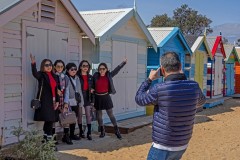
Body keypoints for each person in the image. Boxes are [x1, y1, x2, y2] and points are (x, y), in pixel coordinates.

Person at [135, 52, 206, 160]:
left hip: (163, 145)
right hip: (182, 143)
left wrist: (149, 80)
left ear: (162, 70)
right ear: (180, 66)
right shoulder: (194, 87)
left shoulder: (159, 89)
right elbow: (201, 102)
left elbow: (139, 99)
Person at [92, 59, 127, 140]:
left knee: (110, 114)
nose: (101, 70)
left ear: (106, 69)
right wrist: (91, 89)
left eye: (103, 69)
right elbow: (92, 84)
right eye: (100, 69)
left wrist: (123, 63)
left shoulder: (109, 75)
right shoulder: (95, 76)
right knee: (99, 116)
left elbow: (116, 70)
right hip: (98, 97)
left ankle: (117, 131)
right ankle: (102, 131)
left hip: (106, 97)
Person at [30, 54, 59, 147]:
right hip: (45, 101)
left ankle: (45, 140)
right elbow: (34, 74)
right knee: (49, 120)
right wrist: (33, 63)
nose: (49, 66)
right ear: (43, 66)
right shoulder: (41, 75)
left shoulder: (55, 76)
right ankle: (49, 143)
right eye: (46, 65)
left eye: (50, 64)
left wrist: (58, 101)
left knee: (49, 121)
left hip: (54, 101)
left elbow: (56, 89)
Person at [53, 60, 73, 145]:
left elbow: (67, 90)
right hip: (54, 101)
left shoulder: (65, 77)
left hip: (63, 100)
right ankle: (53, 138)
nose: (60, 68)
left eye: (61, 66)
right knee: (53, 119)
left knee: (66, 118)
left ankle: (66, 136)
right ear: (54, 67)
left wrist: (66, 102)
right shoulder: (52, 76)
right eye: (58, 66)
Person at [64, 63, 84, 141]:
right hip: (68, 101)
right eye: (71, 69)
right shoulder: (65, 78)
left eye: (75, 69)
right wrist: (65, 102)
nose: (74, 71)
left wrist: (81, 102)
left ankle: (72, 134)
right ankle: (66, 136)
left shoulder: (77, 78)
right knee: (66, 119)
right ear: (67, 70)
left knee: (73, 118)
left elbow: (80, 91)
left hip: (76, 101)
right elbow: (65, 90)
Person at [77, 60, 94, 140]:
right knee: (80, 115)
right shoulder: (77, 76)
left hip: (87, 96)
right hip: (80, 96)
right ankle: (80, 131)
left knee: (88, 115)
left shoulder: (90, 77)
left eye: (87, 66)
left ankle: (89, 133)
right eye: (84, 66)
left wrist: (92, 101)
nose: (85, 67)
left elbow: (93, 88)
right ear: (80, 67)